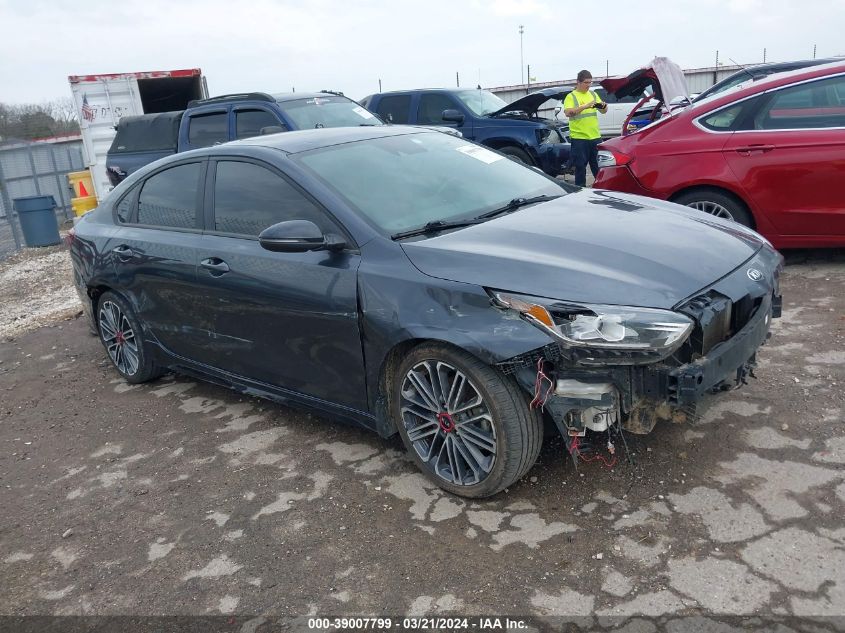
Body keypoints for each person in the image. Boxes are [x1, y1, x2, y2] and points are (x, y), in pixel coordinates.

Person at [563, 70, 607, 187]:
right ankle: (580, 192)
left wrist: (603, 106)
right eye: (586, 82)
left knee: (598, 168)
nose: (588, 85)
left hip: (595, 137)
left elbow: (603, 111)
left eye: (590, 82)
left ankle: (602, 189)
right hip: (579, 139)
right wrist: (585, 106)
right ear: (578, 82)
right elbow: (568, 113)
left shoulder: (593, 94)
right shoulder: (571, 96)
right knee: (580, 168)